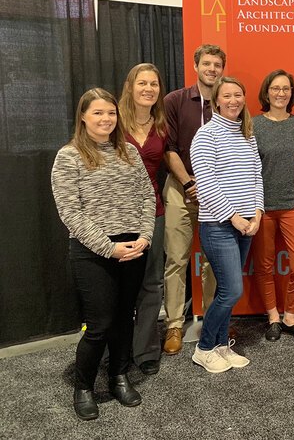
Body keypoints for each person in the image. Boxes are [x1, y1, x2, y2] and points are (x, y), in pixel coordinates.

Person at [51, 88, 155, 420]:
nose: (106, 119)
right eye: (97, 113)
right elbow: (71, 214)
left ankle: (118, 377)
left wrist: (145, 236)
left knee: (126, 317)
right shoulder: (68, 156)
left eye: (110, 113)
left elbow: (147, 195)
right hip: (93, 252)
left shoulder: (129, 152)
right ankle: (83, 388)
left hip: (134, 247)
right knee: (99, 324)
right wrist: (109, 248)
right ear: (82, 116)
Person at [189, 76, 264, 373]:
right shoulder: (206, 136)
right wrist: (235, 217)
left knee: (226, 290)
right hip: (219, 225)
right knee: (231, 291)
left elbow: (257, 176)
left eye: (238, 95)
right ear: (216, 101)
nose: (233, 100)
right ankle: (204, 347)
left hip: (247, 224)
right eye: (227, 96)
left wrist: (257, 213)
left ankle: (221, 345)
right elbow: (206, 186)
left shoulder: (248, 133)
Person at [162, 44, 225, 355]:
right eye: (207, 64)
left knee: (214, 261)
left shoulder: (228, 102)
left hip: (216, 195)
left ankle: (213, 322)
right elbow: (168, 148)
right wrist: (188, 183)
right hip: (179, 189)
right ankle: (174, 324)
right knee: (176, 259)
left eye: (217, 65)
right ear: (196, 66)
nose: (212, 69)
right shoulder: (175, 100)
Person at [252, 70, 294, 341]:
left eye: (286, 88)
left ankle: (290, 316)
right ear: (266, 93)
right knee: (264, 265)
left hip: (291, 204)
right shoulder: (253, 125)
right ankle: (273, 317)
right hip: (261, 206)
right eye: (275, 88)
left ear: (292, 93)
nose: (280, 93)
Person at [118, 63, 168, 376]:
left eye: (153, 84)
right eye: (142, 83)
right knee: (121, 286)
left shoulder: (161, 125)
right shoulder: (113, 121)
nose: (148, 88)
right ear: (130, 87)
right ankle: (119, 348)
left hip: (154, 212)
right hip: (116, 215)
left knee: (152, 283)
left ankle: (147, 349)